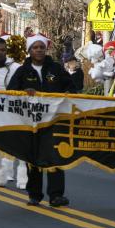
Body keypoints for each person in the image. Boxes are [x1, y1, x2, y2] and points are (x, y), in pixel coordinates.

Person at [7, 34, 73, 207]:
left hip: (54, 121)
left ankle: (56, 195)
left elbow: (72, 86)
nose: (39, 50)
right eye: (35, 48)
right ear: (29, 51)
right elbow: (10, 93)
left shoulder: (56, 69)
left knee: (55, 157)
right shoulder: (22, 71)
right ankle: (34, 195)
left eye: (41, 47)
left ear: (46, 49)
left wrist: (65, 94)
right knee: (33, 158)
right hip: (31, 122)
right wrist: (23, 93)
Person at [0, 37, 28, 189]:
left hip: (15, 108)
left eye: (3, 50)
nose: (0, 53)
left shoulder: (15, 67)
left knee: (20, 143)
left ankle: (23, 178)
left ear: (6, 51)